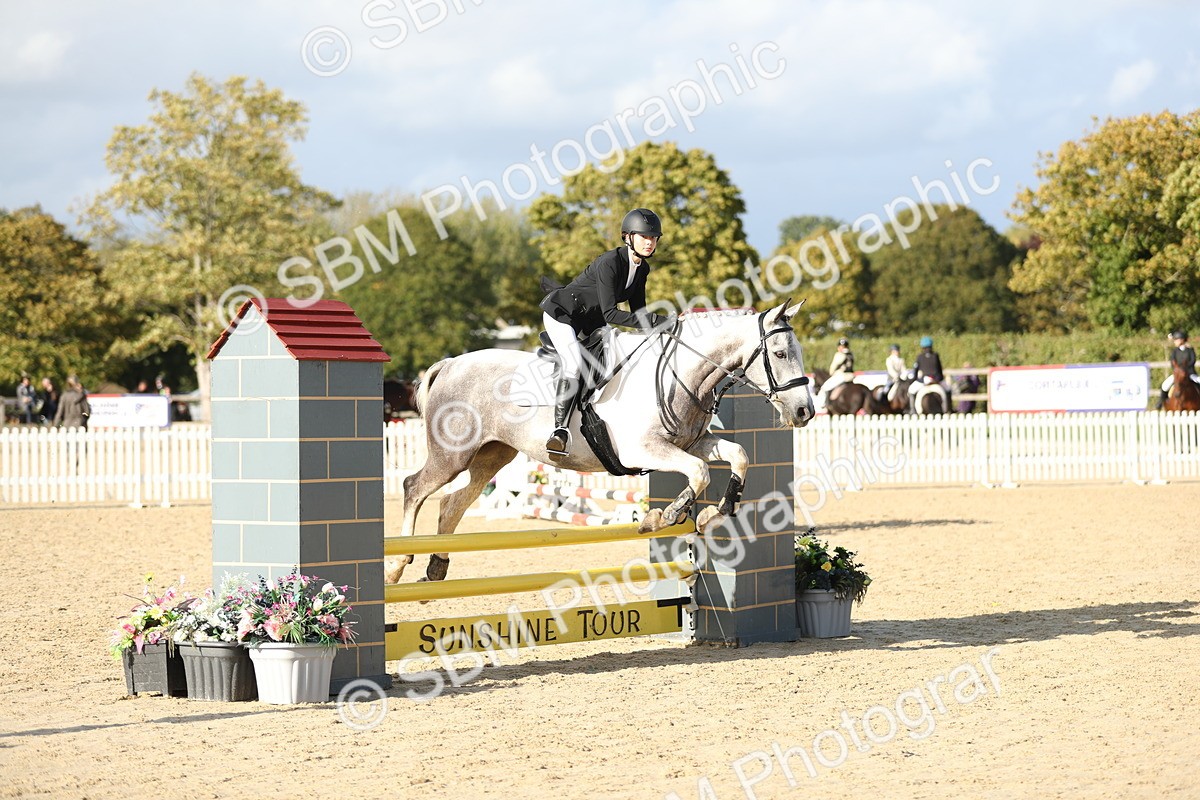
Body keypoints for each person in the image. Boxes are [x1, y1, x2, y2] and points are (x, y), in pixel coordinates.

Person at [538, 207, 673, 454]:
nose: (650, 242)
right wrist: (657, 320)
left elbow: (639, 315)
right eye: (644, 237)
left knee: (616, 354)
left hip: (592, 319)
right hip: (564, 314)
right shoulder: (610, 262)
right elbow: (612, 313)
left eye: (653, 238)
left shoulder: (642, 269)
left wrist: (665, 328)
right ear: (627, 237)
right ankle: (559, 431)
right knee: (574, 362)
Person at [1158, 330, 1199, 409]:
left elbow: (1192, 361)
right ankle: (1161, 401)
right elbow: (1172, 363)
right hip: (1177, 374)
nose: (1175, 342)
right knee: (1164, 385)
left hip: (1190, 373)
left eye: (1176, 340)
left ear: (1182, 340)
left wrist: (1185, 370)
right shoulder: (1174, 351)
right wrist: (1178, 371)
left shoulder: (1190, 350)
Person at [817, 337, 855, 403]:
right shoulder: (851, 354)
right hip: (851, 376)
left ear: (840, 346)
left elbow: (833, 367)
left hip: (842, 376)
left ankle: (822, 405)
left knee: (824, 388)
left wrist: (831, 373)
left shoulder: (839, 354)